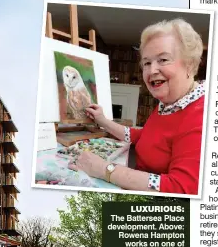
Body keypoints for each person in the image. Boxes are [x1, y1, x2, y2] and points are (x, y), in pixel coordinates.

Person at [69, 18, 205, 195]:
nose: (151, 70)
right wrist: (103, 121)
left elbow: (181, 188)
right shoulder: (170, 103)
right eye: (147, 63)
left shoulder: (202, 115)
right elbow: (143, 136)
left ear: (190, 64)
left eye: (163, 59)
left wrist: (104, 169)